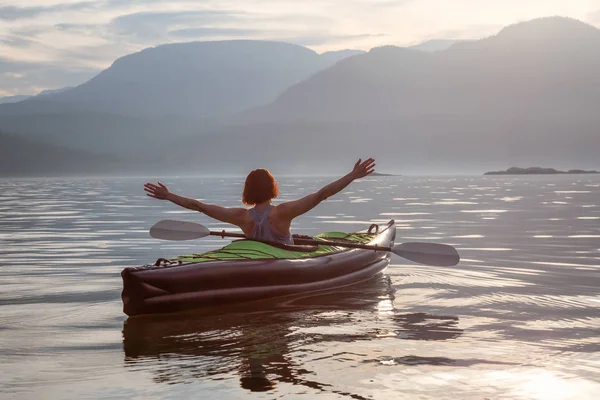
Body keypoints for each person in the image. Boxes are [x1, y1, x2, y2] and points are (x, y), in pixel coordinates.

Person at [144, 158, 375, 245]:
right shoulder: (283, 212)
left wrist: (169, 196)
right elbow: (321, 194)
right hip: (282, 262)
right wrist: (352, 176)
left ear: (248, 191)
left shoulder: (241, 217)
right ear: (272, 188)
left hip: (255, 261)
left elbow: (199, 207)